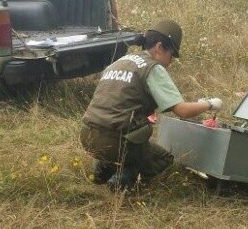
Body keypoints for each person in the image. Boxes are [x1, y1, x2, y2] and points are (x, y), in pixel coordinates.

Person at [79, 19, 222, 192]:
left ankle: (102, 170)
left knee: (130, 134)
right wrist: (209, 104)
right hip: (115, 140)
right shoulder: (152, 68)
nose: (170, 62)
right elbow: (182, 111)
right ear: (160, 47)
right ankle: (122, 179)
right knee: (163, 158)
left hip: (88, 136)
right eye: (171, 55)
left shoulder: (120, 61)